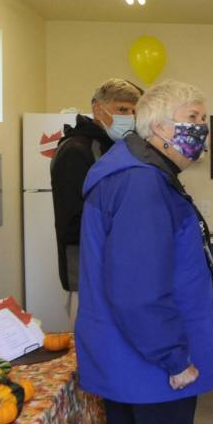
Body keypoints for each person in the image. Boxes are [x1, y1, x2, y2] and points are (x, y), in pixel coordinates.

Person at [75, 80, 213, 424]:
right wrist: (174, 358)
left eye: (203, 119)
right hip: (151, 365)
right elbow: (137, 290)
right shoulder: (142, 184)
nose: (202, 129)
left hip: (128, 358)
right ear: (159, 128)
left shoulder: (136, 173)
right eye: (193, 119)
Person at [50, 78, 142, 294]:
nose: (129, 117)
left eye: (132, 111)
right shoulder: (76, 150)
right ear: (98, 110)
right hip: (86, 266)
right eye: (122, 109)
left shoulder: (113, 146)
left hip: (114, 264)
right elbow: (76, 217)